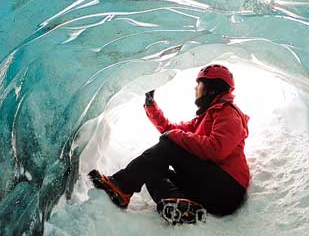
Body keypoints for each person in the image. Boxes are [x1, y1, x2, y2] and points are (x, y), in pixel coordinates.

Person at [89, 64, 250, 225]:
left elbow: (217, 149)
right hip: (209, 187)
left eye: (199, 84)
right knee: (152, 169)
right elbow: (170, 130)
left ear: (212, 88)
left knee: (168, 144)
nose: (195, 89)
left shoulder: (228, 112)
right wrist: (152, 106)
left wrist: (174, 136)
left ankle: (122, 186)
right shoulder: (204, 118)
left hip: (226, 188)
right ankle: (182, 206)